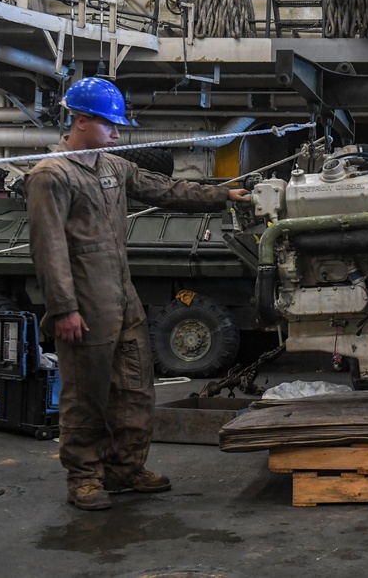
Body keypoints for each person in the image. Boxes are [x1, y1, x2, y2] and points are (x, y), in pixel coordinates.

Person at [25, 77, 250, 512]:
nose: (118, 132)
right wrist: (64, 310)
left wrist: (223, 195)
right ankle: (85, 478)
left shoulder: (112, 166)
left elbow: (166, 190)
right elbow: (48, 250)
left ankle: (124, 470)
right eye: (110, 124)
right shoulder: (50, 176)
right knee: (86, 396)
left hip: (122, 298)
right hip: (85, 305)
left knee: (135, 390)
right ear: (81, 120)